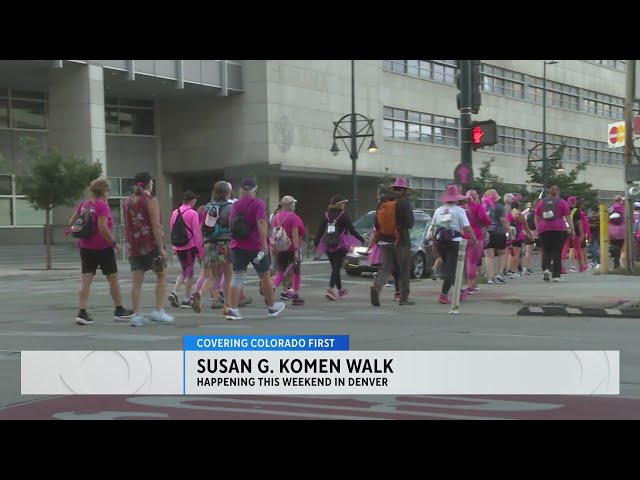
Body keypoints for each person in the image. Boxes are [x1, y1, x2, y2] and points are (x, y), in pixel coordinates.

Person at [66, 177, 134, 325]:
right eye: (109, 190)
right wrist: (114, 243)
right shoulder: (102, 206)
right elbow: (103, 228)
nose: (109, 193)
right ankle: (119, 310)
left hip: (85, 247)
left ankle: (82, 312)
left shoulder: (84, 204)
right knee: (113, 279)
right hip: (103, 248)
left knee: (86, 280)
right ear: (104, 191)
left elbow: (72, 223)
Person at [225, 178, 285, 321]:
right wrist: (264, 243)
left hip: (237, 245)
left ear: (241, 189)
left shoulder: (236, 205)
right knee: (264, 276)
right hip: (255, 245)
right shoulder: (258, 203)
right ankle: (272, 307)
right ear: (254, 189)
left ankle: (233, 309)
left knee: (238, 276)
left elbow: (231, 224)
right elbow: (262, 222)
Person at [123, 172, 174, 326]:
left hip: (134, 246)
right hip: (150, 245)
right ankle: (158, 310)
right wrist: (161, 247)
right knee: (162, 276)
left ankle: (137, 315)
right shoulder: (150, 200)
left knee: (136, 281)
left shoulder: (127, 201)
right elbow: (156, 225)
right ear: (148, 184)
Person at [369, 177, 415, 306]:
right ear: (405, 191)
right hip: (401, 240)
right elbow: (410, 224)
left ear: (394, 188)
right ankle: (404, 298)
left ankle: (377, 287)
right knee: (404, 268)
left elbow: (377, 224)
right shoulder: (404, 203)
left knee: (386, 266)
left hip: (384, 240)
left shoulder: (382, 202)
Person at [430, 185, 477, 304]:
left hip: (440, 241)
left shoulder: (438, 210)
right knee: (452, 269)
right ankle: (444, 294)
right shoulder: (459, 210)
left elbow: (433, 228)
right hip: (454, 242)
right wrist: (474, 239)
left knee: (449, 267)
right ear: (456, 198)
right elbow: (467, 227)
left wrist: (433, 243)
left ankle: (459, 291)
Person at [314, 194, 364, 301]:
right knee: (336, 268)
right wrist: (361, 239)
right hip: (341, 244)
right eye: (343, 203)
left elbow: (319, 231)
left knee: (334, 268)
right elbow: (352, 230)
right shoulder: (343, 215)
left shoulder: (326, 215)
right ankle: (330, 289)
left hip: (327, 244)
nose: (344, 205)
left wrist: (316, 243)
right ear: (340, 204)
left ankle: (340, 290)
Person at [168, 190, 203, 309]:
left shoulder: (174, 212)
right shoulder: (193, 214)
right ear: (192, 201)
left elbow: (172, 229)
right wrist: (200, 250)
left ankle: (174, 292)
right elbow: (197, 233)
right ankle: (186, 299)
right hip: (190, 246)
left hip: (178, 246)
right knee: (190, 272)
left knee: (183, 270)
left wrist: (173, 246)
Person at [535, 185, 575, 281]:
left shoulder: (541, 203)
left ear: (549, 192)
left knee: (546, 250)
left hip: (544, 229)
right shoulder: (562, 202)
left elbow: (537, 217)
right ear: (558, 192)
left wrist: (538, 228)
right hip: (558, 228)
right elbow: (568, 216)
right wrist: (572, 229)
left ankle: (546, 269)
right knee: (557, 251)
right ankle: (556, 275)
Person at [271, 195, 306, 305]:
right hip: (291, 247)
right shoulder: (294, 217)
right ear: (291, 205)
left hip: (280, 247)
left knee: (281, 271)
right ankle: (295, 295)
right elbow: (298, 233)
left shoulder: (277, 217)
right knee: (296, 272)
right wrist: (296, 250)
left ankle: (271, 288)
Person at [462, 189, 490, 295]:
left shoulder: (461, 208)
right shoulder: (478, 207)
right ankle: (470, 285)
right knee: (473, 261)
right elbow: (485, 218)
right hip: (476, 235)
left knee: (467, 260)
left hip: (463, 235)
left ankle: (472, 284)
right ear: (476, 197)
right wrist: (485, 225)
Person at [482, 189, 510, 284]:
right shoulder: (500, 207)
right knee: (502, 253)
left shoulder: (483, 207)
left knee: (488, 255)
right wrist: (509, 232)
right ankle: (500, 274)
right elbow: (504, 221)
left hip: (487, 232)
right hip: (499, 232)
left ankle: (490, 277)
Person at [608, 194, 625, 269]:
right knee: (620, 247)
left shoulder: (610, 208)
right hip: (621, 231)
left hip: (611, 230)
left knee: (615, 246)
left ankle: (615, 260)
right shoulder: (623, 208)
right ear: (621, 200)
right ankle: (617, 263)